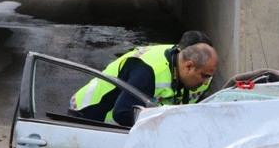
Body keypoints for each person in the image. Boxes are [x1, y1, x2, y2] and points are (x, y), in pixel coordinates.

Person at [69, 39, 218, 127]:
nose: (207, 82)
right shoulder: (148, 72)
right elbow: (122, 113)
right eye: (204, 76)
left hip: (117, 127)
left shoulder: (193, 68)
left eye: (209, 76)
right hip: (88, 117)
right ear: (189, 67)